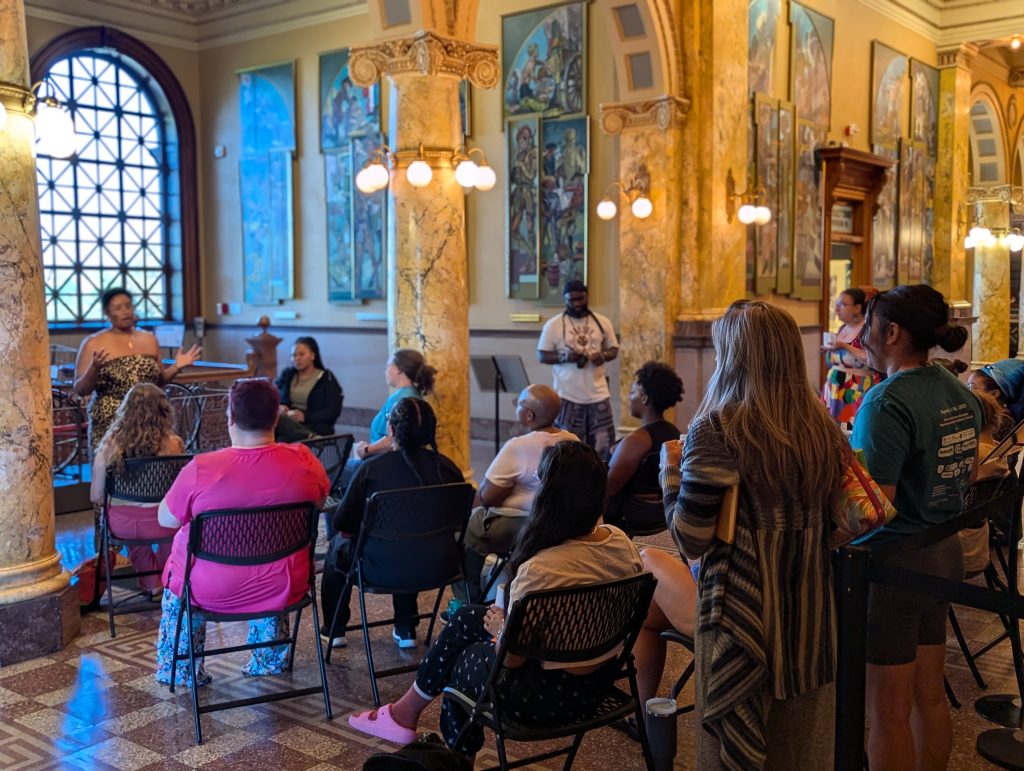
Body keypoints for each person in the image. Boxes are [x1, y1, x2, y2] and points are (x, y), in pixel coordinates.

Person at [346, 441, 644, 760]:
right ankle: (404, 713)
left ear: (547, 496)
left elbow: (513, 660)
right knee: (469, 618)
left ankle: (453, 757)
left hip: (543, 698)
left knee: (458, 668)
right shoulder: (621, 543)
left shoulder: (541, 569)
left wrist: (503, 626)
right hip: (598, 685)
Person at [660, 300, 848, 769]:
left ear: (733, 355)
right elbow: (833, 525)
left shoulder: (718, 428)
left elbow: (691, 539)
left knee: (732, 750)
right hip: (810, 610)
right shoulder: (821, 427)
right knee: (799, 746)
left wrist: (671, 477)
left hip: (742, 611)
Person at [850, 284, 982, 771]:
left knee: (887, 714)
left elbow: (872, 505)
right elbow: (966, 473)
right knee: (929, 698)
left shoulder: (885, 403)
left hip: (894, 566)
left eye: (868, 326)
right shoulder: (954, 388)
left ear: (892, 332)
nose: (861, 336)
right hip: (942, 550)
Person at [153, 378, 329, 687]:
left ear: (230, 418)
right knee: (275, 555)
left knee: (178, 576)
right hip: (283, 585)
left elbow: (166, 520)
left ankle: (181, 670)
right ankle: (268, 659)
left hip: (208, 589)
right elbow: (320, 500)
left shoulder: (201, 468)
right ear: (277, 417)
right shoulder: (305, 462)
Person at [320, 398, 463, 649]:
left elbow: (345, 522)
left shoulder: (371, 469)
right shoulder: (448, 469)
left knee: (338, 547)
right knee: (410, 539)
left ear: (392, 430)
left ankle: (335, 628)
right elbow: (460, 521)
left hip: (380, 568)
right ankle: (406, 627)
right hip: (441, 565)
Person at [459, 384, 577, 603]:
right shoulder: (572, 440)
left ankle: (467, 602)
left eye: (518, 404)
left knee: (468, 529)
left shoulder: (519, 446)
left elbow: (488, 497)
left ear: (529, 414)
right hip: (563, 523)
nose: (516, 408)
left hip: (525, 526)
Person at [74, 288, 201, 456]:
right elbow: (80, 389)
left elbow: (159, 381)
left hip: (149, 419)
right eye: (118, 308)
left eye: (128, 306)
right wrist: (94, 368)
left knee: (149, 473)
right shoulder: (93, 342)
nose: (125, 311)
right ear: (107, 312)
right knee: (112, 474)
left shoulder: (149, 339)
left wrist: (177, 367)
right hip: (110, 421)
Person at [90, 383, 185, 599]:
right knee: (170, 528)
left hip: (123, 526)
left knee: (133, 535)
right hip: (163, 523)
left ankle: (152, 584)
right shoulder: (174, 445)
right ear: (164, 412)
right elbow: (182, 489)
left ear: (125, 411)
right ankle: (167, 578)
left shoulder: (109, 447)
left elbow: (96, 496)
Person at [537, 280, 619, 460]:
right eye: (571, 300)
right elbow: (542, 355)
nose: (576, 303)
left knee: (603, 447)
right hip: (567, 396)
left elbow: (614, 348)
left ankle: (600, 481)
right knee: (567, 450)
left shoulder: (602, 322)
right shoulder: (554, 324)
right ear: (565, 300)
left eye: (580, 298)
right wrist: (563, 357)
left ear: (587, 296)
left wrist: (603, 355)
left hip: (598, 395)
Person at [605, 362, 684, 535]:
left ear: (645, 398)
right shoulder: (674, 433)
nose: (629, 398)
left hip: (628, 518)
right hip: (659, 515)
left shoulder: (637, 440)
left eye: (633, 392)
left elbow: (608, 489)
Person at [353, 349, 435, 460]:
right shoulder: (413, 394)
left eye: (388, 366)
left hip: (388, 462)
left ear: (400, 369)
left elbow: (393, 439)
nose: (385, 371)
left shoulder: (400, 400)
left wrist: (366, 450)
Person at [821, 287, 878, 426]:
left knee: (851, 429)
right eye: (837, 305)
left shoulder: (867, 329)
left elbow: (872, 358)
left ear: (857, 308)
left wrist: (845, 346)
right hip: (834, 388)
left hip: (856, 389)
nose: (837, 309)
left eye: (843, 305)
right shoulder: (842, 328)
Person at [274, 336, 343, 441]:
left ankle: (311, 436)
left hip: (314, 424)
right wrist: (281, 406)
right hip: (289, 421)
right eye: (293, 355)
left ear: (312, 355)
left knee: (283, 438)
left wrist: (305, 416)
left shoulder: (325, 378)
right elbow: (275, 397)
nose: (297, 358)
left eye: (301, 354)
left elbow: (333, 411)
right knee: (276, 428)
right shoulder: (287, 375)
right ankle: (309, 437)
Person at [969, 358, 1024, 424]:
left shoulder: (1003, 421)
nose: (968, 391)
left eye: (972, 387)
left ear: (994, 394)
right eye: (967, 386)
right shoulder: (986, 414)